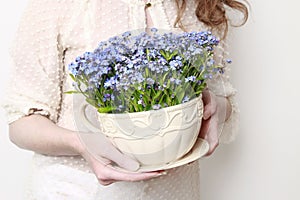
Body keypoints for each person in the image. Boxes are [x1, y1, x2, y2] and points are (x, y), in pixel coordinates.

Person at [3, 0, 248, 199]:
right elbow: (21, 122)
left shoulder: (204, 6)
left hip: (175, 193)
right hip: (75, 191)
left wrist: (218, 108)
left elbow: (221, 97)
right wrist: (81, 143)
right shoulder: (56, 5)